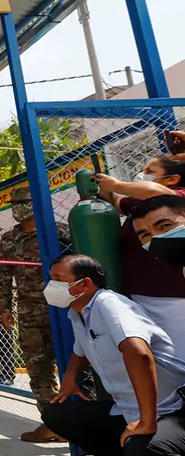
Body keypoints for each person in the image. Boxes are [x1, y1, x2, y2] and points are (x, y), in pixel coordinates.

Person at [41, 255, 185, 456]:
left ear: (84, 284)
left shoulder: (109, 303)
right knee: (56, 415)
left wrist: (147, 422)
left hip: (171, 409)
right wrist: (70, 377)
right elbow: (80, 349)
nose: (51, 285)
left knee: (145, 448)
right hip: (126, 410)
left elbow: (139, 353)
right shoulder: (78, 313)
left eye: (58, 279)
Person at [0, 185, 66, 443]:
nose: (17, 208)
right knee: (39, 370)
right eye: (14, 203)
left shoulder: (59, 232)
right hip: (29, 313)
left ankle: (79, 422)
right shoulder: (9, 239)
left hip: (63, 310)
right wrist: (4, 307)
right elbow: (3, 275)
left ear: (36, 203)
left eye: (23, 202)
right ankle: (53, 423)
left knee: (76, 366)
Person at [96, 159, 185, 351]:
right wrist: (102, 186)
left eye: (150, 170)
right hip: (139, 296)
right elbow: (114, 202)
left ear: (173, 179)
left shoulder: (179, 197)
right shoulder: (139, 203)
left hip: (173, 297)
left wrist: (117, 185)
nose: (141, 173)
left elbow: (156, 192)